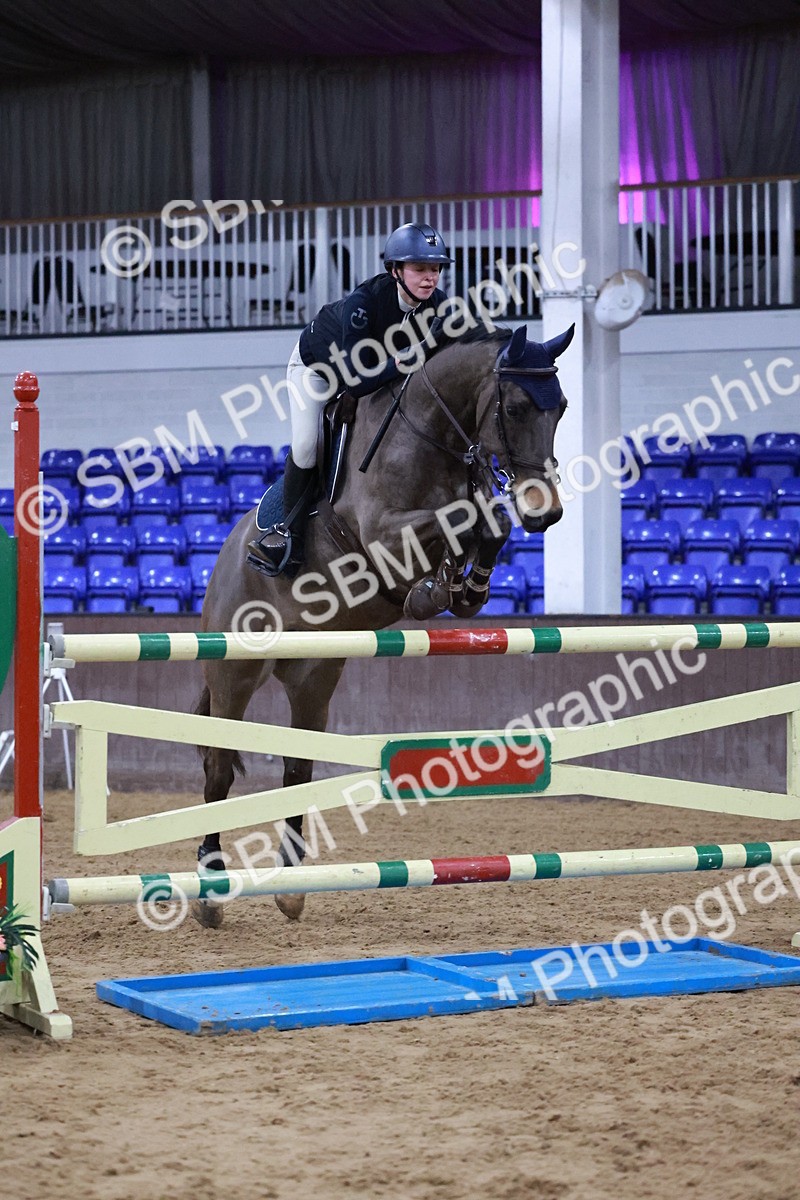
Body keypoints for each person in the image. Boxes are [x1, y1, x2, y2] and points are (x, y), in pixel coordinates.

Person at [247, 222, 451, 575]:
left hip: (376, 373)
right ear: (395, 270)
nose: (429, 278)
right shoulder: (364, 304)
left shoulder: (439, 306)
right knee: (308, 443)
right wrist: (403, 361)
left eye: (435, 269)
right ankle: (287, 538)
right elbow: (357, 383)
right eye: (420, 269)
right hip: (317, 372)